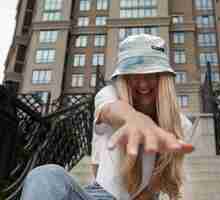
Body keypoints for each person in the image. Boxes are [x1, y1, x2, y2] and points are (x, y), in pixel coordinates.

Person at [20, 34, 193, 200]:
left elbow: (157, 185)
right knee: (46, 176)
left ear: (162, 78)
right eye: (133, 76)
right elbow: (110, 110)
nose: (143, 84)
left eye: (151, 75)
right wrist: (133, 118)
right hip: (100, 195)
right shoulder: (109, 94)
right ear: (124, 78)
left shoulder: (181, 124)